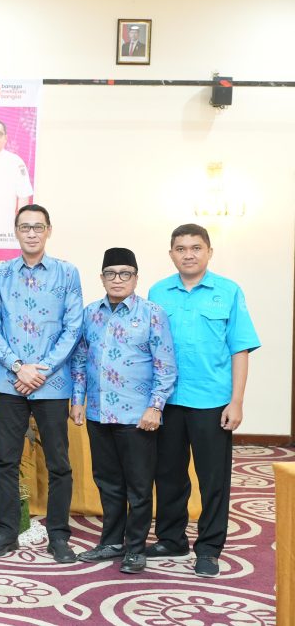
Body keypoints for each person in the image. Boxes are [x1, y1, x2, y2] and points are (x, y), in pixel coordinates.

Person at [147, 223, 259, 578]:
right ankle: (171, 538)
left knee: (213, 480)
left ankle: (209, 548)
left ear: (209, 251)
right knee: (168, 475)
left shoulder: (228, 291)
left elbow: (240, 349)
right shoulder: (157, 291)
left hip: (212, 401)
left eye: (196, 248)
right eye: (181, 249)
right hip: (168, 400)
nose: (189, 254)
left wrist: (236, 401)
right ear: (171, 254)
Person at [0, 204, 82, 563]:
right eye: (25, 227)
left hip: (52, 384)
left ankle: (59, 536)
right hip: (10, 382)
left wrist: (41, 369)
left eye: (38, 227)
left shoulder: (67, 273)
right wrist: (18, 367)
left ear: (48, 231)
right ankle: (7, 533)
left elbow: (73, 328)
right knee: (6, 461)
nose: (32, 233)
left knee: (59, 463)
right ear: (16, 232)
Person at [70, 247, 177, 574]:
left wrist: (155, 407)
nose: (118, 279)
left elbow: (165, 366)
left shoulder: (152, 313)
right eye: (111, 274)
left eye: (125, 273)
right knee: (107, 482)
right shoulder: (90, 313)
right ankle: (111, 542)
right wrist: (78, 400)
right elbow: (80, 360)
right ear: (102, 278)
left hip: (137, 417)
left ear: (135, 278)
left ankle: (135, 548)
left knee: (139, 486)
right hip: (98, 413)